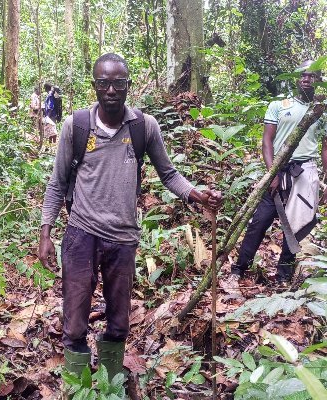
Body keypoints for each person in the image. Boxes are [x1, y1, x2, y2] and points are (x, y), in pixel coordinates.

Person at [38, 53, 222, 382]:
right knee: (75, 318)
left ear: (128, 85)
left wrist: (198, 195)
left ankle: (110, 386)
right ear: (94, 86)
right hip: (81, 233)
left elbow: (169, 174)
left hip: (123, 239)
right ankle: (78, 387)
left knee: (119, 322)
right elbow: (57, 183)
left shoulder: (143, 127)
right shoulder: (76, 126)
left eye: (118, 83)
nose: (111, 89)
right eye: (104, 83)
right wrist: (45, 234)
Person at [228, 60, 327, 288]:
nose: (307, 78)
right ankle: (238, 270)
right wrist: (272, 173)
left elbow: (325, 148)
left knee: (297, 226)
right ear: (296, 78)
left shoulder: (321, 110)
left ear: (318, 80)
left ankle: (283, 277)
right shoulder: (278, 105)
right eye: (303, 74)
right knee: (259, 221)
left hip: (306, 173)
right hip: (280, 170)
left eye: (312, 75)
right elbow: (267, 140)